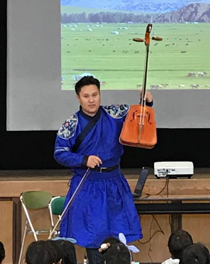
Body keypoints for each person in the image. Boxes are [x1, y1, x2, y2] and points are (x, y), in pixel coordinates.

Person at [54, 76, 153, 264]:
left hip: (114, 182)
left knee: (118, 237)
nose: (91, 100)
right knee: (94, 238)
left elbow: (138, 117)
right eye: (86, 96)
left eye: (95, 95)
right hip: (88, 185)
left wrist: (146, 103)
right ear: (78, 98)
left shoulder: (114, 114)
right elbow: (59, 152)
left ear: (100, 95)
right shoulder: (71, 123)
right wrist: (83, 159)